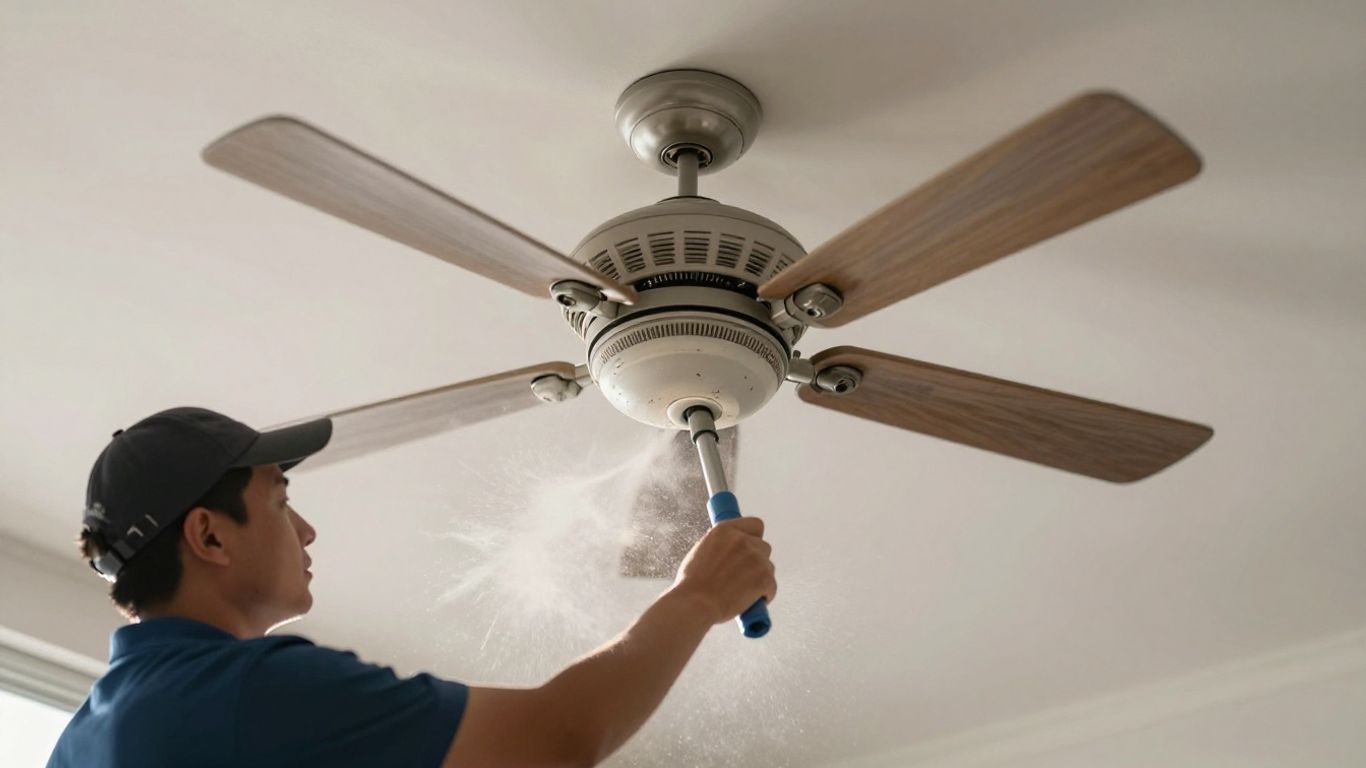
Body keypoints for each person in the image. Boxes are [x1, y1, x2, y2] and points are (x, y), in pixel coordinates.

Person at [48, 406, 777, 767]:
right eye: (279, 498)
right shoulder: (242, 692)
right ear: (208, 536)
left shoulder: (84, 740)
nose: (305, 531)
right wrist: (698, 596)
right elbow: (559, 738)